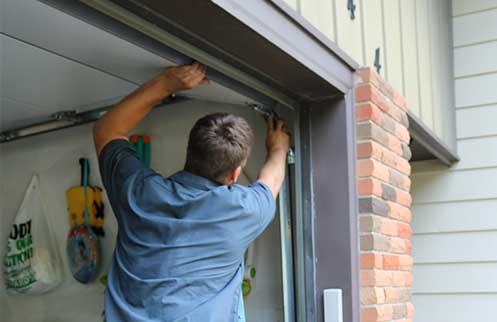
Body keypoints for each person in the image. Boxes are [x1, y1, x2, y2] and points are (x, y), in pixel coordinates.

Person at [94, 62, 290, 322]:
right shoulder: (244, 210)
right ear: (234, 175)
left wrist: (166, 83)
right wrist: (279, 147)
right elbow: (272, 180)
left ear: (190, 153)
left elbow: (107, 130)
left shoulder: (139, 194)